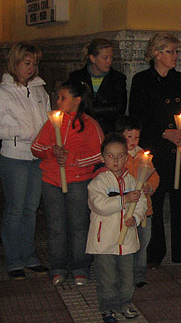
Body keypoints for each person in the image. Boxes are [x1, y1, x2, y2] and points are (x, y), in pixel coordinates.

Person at [128, 33, 181, 267]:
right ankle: (153, 253)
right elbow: (137, 116)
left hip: (180, 150)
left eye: (176, 51)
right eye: (171, 51)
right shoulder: (142, 80)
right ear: (156, 54)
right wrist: (164, 132)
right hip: (156, 149)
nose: (175, 56)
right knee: (155, 201)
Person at [31, 79, 104, 286]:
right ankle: (58, 267)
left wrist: (74, 159)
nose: (58, 101)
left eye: (63, 98)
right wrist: (51, 151)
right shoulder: (53, 122)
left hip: (78, 182)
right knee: (56, 227)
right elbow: (36, 147)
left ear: (77, 101)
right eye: (58, 98)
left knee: (79, 226)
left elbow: (100, 154)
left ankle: (80, 266)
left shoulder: (89, 125)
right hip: (52, 181)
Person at [0, 43, 50, 279]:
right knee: (15, 209)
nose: (31, 68)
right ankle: (13, 259)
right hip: (15, 155)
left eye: (34, 64)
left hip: (37, 157)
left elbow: (49, 120)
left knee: (30, 209)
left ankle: (29, 255)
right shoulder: (4, 91)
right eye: (27, 63)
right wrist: (20, 131)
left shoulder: (40, 90)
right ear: (15, 63)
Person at [86, 133, 147, 323]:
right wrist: (124, 200)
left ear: (126, 157)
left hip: (126, 241)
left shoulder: (132, 181)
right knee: (107, 278)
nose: (115, 160)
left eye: (120, 155)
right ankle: (108, 307)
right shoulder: (98, 182)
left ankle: (125, 303)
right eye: (110, 156)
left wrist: (135, 218)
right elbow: (99, 205)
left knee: (127, 277)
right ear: (103, 157)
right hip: (104, 241)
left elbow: (141, 203)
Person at [116, 115, 160, 288]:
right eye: (129, 137)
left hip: (144, 210)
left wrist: (150, 186)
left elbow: (154, 177)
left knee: (143, 241)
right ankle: (124, 273)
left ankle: (139, 274)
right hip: (126, 208)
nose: (133, 141)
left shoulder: (143, 156)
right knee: (126, 240)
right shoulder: (118, 156)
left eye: (136, 137)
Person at [67, 39, 127, 134]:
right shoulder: (76, 77)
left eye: (111, 58)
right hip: (81, 128)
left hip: (107, 130)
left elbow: (119, 108)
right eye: (105, 58)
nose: (109, 62)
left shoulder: (117, 78)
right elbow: (70, 103)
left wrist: (89, 110)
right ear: (93, 58)